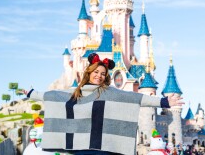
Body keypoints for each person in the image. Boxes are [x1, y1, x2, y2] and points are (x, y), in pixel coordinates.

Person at [24, 53, 184, 155]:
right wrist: (32, 94)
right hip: (81, 148)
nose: (99, 76)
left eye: (102, 74)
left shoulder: (110, 92)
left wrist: (163, 101)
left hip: (103, 148)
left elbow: (136, 98)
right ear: (89, 73)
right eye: (96, 72)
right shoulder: (77, 91)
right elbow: (55, 95)